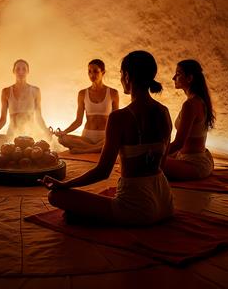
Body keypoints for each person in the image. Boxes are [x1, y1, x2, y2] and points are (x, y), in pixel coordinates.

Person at [42, 50, 173, 226]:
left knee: (55, 196)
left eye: (121, 74)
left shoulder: (119, 117)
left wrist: (64, 185)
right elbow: (161, 164)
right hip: (165, 201)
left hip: (138, 208)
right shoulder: (164, 112)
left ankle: (96, 217)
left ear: (126, 76)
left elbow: (103, 172)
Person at [162, 59, 216, 180]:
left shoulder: (191, 105)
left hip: (194, 163)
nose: (173, 77)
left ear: (189, 78)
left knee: (145, 163)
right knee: (145, 159)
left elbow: (179, 143)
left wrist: (155, 153)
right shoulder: (199, 100)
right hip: (194, 157)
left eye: (178, 74)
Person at [53, 59, 120, 154]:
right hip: (87, 137)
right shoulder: (82, 93)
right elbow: (78, 121)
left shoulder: (113, 93)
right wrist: (64, 132)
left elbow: (116, 120)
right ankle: (96, 149)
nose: (92, 75)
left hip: (105, 136)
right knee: (62, 139)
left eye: (96, 71)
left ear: (103, 72)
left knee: (118, 139)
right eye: (89, 71)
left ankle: (86, 150)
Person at [0, 59, 51, 149]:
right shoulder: (6, 91)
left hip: (31, 135)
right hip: (13, 134)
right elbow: (3, 119)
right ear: (13, 71)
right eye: (18, 69)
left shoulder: (35, 91)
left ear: (28, 72)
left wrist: (46, 131)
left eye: (24, 69)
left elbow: (39, 117)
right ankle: (11, 146)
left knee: (48, 140)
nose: (21, 72)